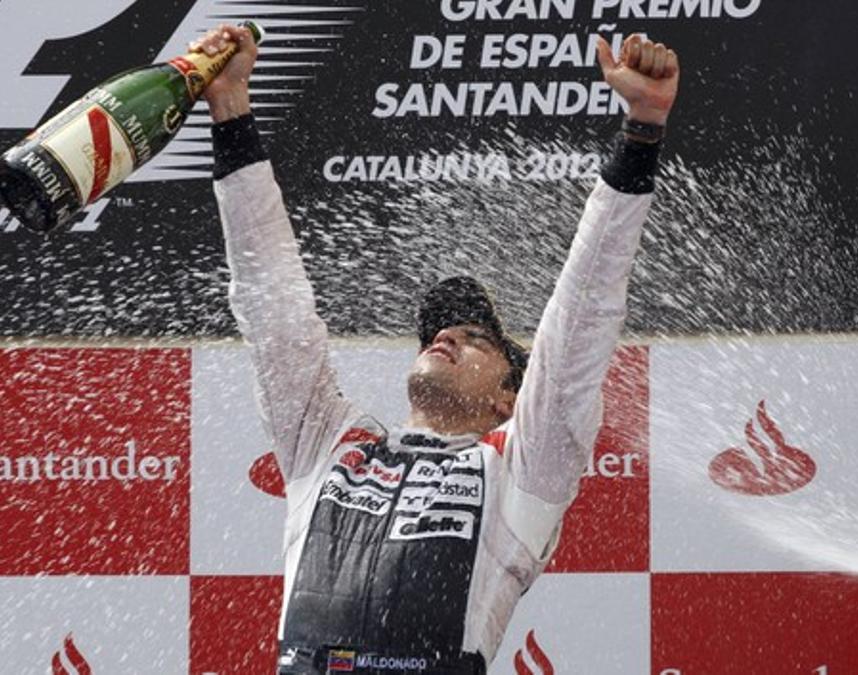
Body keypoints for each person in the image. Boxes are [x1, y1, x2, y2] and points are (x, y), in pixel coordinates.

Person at [194, 23, 679, 674]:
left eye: (476, 338)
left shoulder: (523, 469)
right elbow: (270, 300)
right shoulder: (328, 442)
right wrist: (230, 109)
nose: (447, 336)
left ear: (511, 397)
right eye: (440, 334)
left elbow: (584, 309)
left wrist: (642, 128)